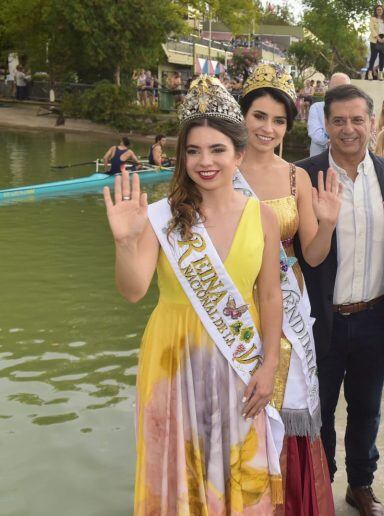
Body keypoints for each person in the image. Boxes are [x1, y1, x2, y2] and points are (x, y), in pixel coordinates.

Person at [103, 75, 285, 513]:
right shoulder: (162, 217)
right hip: (172, 359)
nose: (205, 161)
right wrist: (126, 243)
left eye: (218, 149)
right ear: (182, 156)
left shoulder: (262, 217)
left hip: (238, 358)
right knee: (179, 472)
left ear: (239, 154)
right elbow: (133, 291)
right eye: (193, 150)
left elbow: (270, 296)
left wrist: (270, 364)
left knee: (237, 471)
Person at [294, 84, 384, 515]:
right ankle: (320, 486)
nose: (349, 129)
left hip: (375, 316)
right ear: (325, 126)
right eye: (339, 120)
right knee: (318, 411)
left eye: (357, 120)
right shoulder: (302, 176)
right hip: (320, 320)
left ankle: (360, 484)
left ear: (374, 123)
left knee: (366, 409)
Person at [236, 63, 341, 515]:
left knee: (284, 398)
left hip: (286, 300)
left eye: (278, 120)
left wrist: (330, 221)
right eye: (259, 116)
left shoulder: (296, 177)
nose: (268, 128)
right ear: (242, 116)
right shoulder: (220, 167)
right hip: (233, 300)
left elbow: (314, 255)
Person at [307, 72, 351, 157]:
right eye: (336, 88)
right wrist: (335, 143)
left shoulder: (354, 110)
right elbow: (315, 132)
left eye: (344, 89)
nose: (340, 92)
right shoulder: (316, 108)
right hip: (319, 160)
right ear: (329, 89)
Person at [366, 5, 384, 81]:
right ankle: (370, 73)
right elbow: (371, 28)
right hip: (374, 40)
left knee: (382, 58)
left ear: (383, 10)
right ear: (376, 11)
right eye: (378, 10)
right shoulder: (373, 18)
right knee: (373, 56)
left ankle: (380, 74)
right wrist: (378, 38)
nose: (379, 11)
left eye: (380, 9)